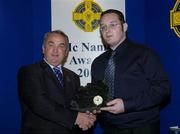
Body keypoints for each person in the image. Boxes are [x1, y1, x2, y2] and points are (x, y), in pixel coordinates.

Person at [91, 9, 171, 134]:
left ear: (124, 26)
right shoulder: (97, 63)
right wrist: (92, 106)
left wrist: (127, 105)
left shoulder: (144, 54)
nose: (107, 30)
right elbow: (96, 95)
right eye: (103, 27)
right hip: (109, 128)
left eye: (113, 25)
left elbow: (163, 89)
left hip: (142, 127)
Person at [17, 30, 96, 134]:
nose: (55, 50)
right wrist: (75, 118)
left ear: (66, 51)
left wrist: (89, 112)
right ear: (43, 48)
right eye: (51, 45)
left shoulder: (73, 77)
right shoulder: (29, 72)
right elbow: (40, 104)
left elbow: (76, 105)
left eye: (61, 46)